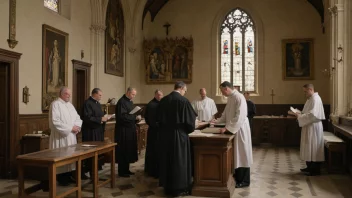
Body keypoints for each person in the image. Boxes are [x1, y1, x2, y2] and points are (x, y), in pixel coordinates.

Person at [158, 81, 197, 197]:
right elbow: (190, 123)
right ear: (181, 88)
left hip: (165, 135)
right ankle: (180, 188)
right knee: (179, 161)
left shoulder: (164, 100)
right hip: (179, 135)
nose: (185, 93)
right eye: (185, 90)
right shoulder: (183, 101)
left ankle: (167, 187)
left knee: (167, 160)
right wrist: (186, 130)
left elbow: (159, 119)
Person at [213, 81, 253, 188]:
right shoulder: (231, 98)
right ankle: (238, 177)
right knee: (237, 154)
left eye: (222, 91)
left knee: (242, 154)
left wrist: (227, 128)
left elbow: (239, 116)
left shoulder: (239, 97)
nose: (222, 93)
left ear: (226, 88)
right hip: (234, 129)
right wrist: (216, 121)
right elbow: (226, 114)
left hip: (240, 129)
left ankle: (244, 181)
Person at [48, 87, 82, 186]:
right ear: (61, 94)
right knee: (61, 156)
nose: (69, 95)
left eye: (69, 94)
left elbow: (77, 118)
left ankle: (69, 176)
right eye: (67, 94)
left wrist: (77, 127)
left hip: (71, 136)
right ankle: (61, 178)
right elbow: (56, 122)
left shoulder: (70, 105)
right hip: (60, 136)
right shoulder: (55, 104)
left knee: (70, 156)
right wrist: (71, 128)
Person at [291, 84, 325, 176]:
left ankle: (315, 170)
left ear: (310, 89)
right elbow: (306, 113)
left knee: (313, 147)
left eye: (305, 91)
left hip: (313, 127)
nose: (305, 93)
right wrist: (299, 113)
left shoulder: (315, 99)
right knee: (308, 147)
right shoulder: (310, 99)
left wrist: (300, 116)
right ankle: (309, 166)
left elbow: (313, 115)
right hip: (309, 126)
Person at [81, 88, 109, 178]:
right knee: (91, 152)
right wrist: (100, 119)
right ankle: (89, 171)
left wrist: (104, 118)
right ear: (94, 94)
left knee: (98, 151)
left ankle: (95, 171)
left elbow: (98, 116)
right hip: (90, 131)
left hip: (98, 130)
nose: (101, 97)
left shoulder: (97, 103)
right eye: (100, 95)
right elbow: (87, 118)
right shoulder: (87, 103)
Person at [115, 87, 141, 177]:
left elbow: (131, 114)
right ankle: (122, 171)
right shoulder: (121, 102)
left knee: (128, 149)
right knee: (123, 150)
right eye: (133, 94)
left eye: (134, 95)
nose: (133, 96)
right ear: (128, 92)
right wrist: (135, 118)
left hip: (130, 129)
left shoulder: (130, 102)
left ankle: (126, 169)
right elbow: (122, 117)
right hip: (123, 130)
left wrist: (136, 118)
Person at [144, 89, 164, 178]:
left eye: (161, 95)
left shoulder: (161, 103)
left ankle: (158, 170)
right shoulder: (151, 105)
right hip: (154, 131)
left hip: (159, 131)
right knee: (152, 150)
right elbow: (149, 119)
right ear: (155, 95)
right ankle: (152, 170)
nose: (160, 96)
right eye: (158, 95)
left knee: (158, 150)